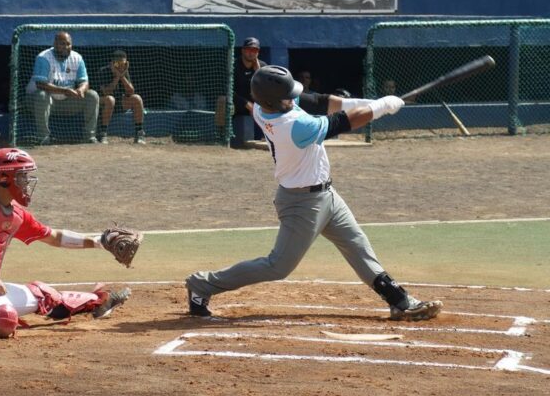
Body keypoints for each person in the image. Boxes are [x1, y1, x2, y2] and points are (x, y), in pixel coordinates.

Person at [185, 65, 443, 322]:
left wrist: (373, 103)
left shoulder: (268, 107)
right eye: (288, 96)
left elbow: (323, 102)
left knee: (357, 245)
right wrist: (381, 107)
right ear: (273, 100)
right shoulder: (294, 125)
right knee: (278, 266)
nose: (293, 98)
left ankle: (399, 301)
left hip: (326, 195)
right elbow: (343, 121)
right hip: (302, 203)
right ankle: (202, 284)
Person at [0, 148, 131, 338]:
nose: (26, 182)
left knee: (44, 296)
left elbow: (54, 236)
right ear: (5, 177)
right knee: (5, 319)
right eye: (22, 176)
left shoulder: (16, 214)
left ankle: (99, 304)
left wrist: (99, 242)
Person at [25, 31, 100, 145]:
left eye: (68, 44)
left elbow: (84, 81)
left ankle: (89, 137)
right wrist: (64, 90)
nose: (66, 47)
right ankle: (43, 138)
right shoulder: (43, 57)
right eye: (62, 44)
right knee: (42, 95)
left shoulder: (77, 58)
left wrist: (81, 89)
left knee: (92, 95)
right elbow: (40, 84)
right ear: (55, 44)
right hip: (38, 102)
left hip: (65, 101)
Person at [98, 50, 146, 144]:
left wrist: (122, 76)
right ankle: (103, 133)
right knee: (110, 99)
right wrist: (116, 77)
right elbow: (106, 92)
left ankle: (139, 133)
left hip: (119, 103)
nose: (120, 66)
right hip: (103, 105)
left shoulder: (124, 72)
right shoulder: (103, 71)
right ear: (112, 63)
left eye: (122, 63)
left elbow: (131, 91)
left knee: (137, 98)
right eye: (117, 63)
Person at [230, 37, 266, 147]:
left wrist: (258, 72)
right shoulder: (234, 66)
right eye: (248, 50)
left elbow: (267, 90)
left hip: (256, 105)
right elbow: (230, 91)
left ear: (258, 52)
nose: (251, 53)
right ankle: (228, 138)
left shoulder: (262, 66)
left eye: (254, 50)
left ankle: (268, 136)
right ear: (242, 50)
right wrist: (247, 104)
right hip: (238, 105)